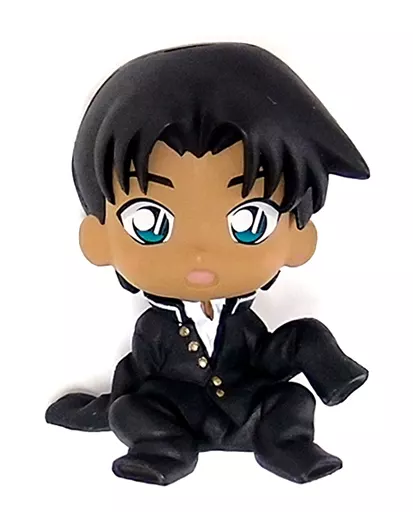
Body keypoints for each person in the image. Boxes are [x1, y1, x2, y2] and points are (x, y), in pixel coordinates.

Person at [46, 42, 369, 485]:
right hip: (178, 418)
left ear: (299, 237)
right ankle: (163, 451)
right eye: (149, 222)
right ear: (98, 238)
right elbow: (135, 376)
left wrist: (306, 344)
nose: (200, 252)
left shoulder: (246, 326)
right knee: (130, 409)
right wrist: (103, 409)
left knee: (293, 398)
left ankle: (288, 446)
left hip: (247, 418)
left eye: (250, 221)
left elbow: (269, 361)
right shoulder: (153, 330)